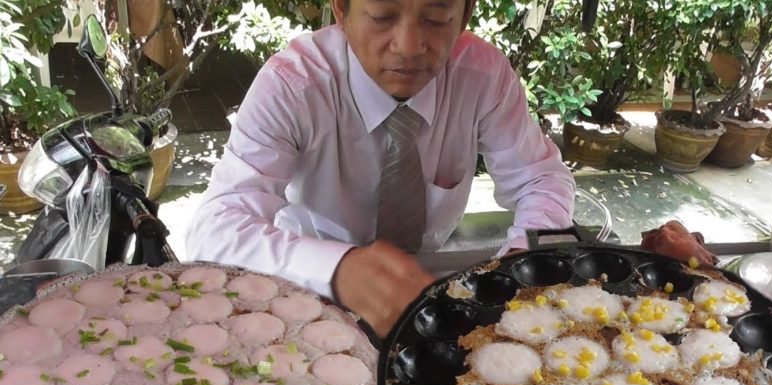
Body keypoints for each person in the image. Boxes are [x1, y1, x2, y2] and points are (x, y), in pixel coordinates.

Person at [184, 0, 576, 336]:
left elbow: (540, 178)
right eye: (382, 15)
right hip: (302, 280)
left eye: (436, 18)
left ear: (465, 15)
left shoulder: (483, 76)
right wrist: (337, 268)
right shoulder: (293, 85)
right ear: (342, 10)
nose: (408, 47)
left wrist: (518, 267)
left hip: (423, 278)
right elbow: (214, 228)